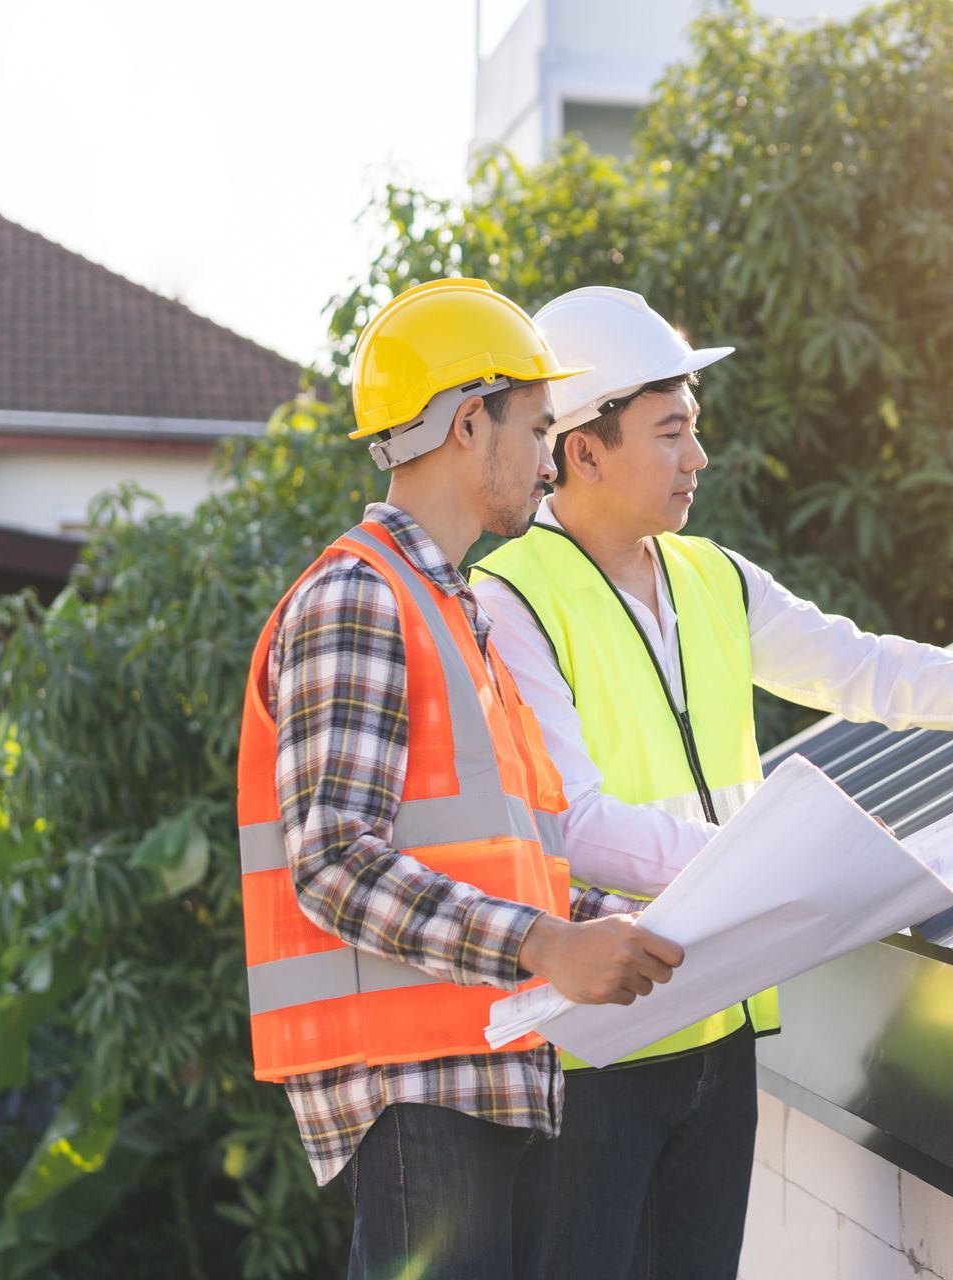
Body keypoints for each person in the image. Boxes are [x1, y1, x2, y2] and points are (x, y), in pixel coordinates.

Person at [471, 285, 953, 1277]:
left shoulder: (714, 580)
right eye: (671, 432)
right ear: (584, 448)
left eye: (695, 430)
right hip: (599, 1047)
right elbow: (576, 827)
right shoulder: (510, 597)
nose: (698, 457)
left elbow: (873, 669)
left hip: (718, 1028)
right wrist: (783, 862)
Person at [234, 278, 685, 1279]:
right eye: (534, 427)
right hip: (416, 1085)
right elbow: (335, 861)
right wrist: (546, 942)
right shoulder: (360, 597)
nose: (545, 456)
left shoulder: (453, 612)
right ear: (468, 422)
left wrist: (668, 921)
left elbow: (515, 867)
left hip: (477, 1072)